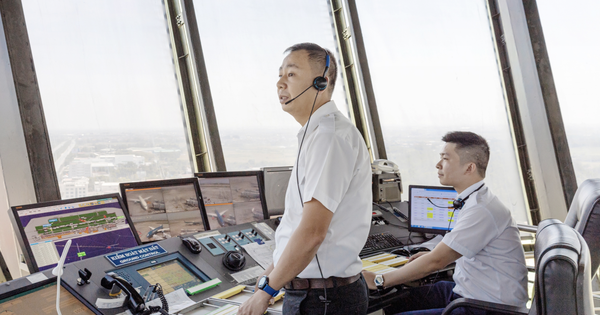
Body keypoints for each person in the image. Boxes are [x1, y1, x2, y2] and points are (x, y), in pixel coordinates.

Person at [238, 43, 372, 315]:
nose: (279, 83)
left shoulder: (329, 138)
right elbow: (297, 225)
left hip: (323, 300)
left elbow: (312, 233)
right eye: (279, 75)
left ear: (321, 82)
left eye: (291, 74)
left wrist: (267, 291)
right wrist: (271, 275)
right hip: (314, 293)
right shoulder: (316, 135)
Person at [363, 131, 528, 315]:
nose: (438, 165)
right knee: (399, 300)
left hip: (489, 308)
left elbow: (437, 262)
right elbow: (445, 249)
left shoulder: (481, 210)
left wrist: (379, 280)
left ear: (469, 168)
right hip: (469, 293)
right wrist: (429, 252)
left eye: (446, 159)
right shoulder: (474, 200)